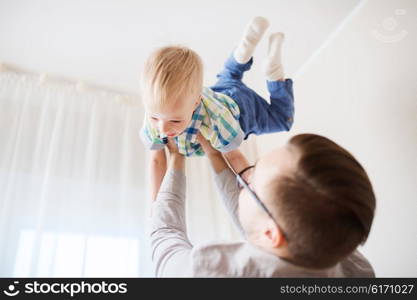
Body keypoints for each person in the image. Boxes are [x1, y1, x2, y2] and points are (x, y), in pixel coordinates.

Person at [150, 133, 376, 277]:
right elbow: (260, 217)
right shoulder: (353, 265)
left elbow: (165, 234)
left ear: (271, 234)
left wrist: (176, 158)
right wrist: (214, 154)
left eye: (252, 183)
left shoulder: (213, 272)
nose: (244, 179)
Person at [139, 16, 294, 200]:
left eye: (175, 120)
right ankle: (241, 53)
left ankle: (274, 73)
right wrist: (155, 203)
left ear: (195, 103)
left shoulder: (214, 122)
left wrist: (251, 182)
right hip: (220, 94)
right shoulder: (160, 111)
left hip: (243, 113)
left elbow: (234, 157)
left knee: (282, 120)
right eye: (154, 117)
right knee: (228, 76)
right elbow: (156, 160)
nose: (162, 129)